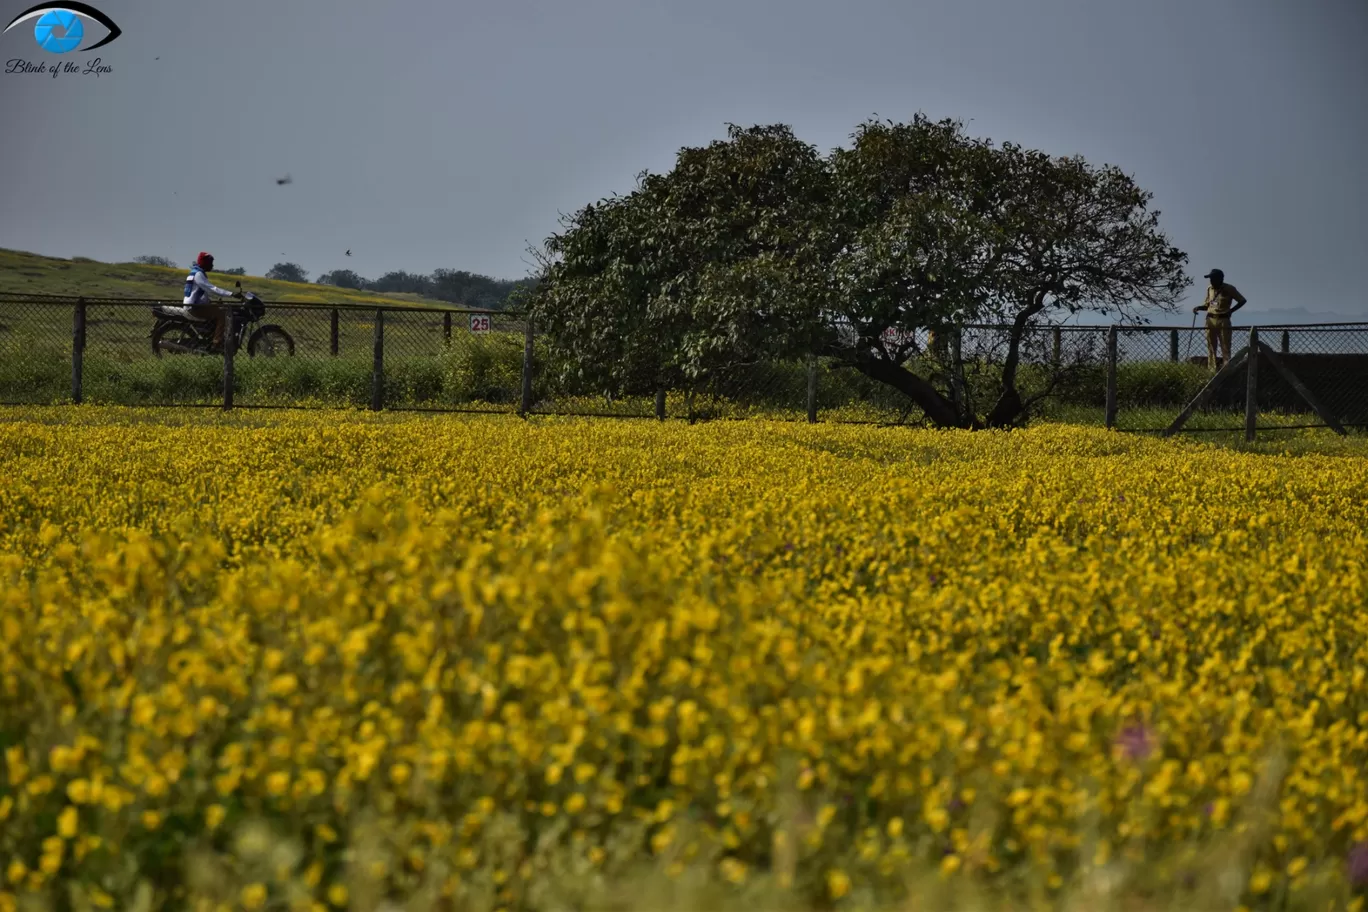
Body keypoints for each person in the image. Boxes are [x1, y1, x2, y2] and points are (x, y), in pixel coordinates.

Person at [179, 252, 242, 351]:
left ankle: (212, 335)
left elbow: (201, 293)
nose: (212, 265)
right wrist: (231, 294)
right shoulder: (198, 274)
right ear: (204, 263)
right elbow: (211, 288)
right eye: (210, 262)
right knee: (223, 315)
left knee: (219, 308)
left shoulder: (195, 272)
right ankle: (217, 343)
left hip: (193, 305)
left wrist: (212, 301)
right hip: (194, 308)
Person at [1193, 268, 1247, 370]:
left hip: (1223, 320)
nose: (1211, 281)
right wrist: (1199, 308)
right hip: (1210, 319)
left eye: (1213, 279)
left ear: (1220, 279)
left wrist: (1231, 311)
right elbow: (1208, 304)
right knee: (1211, 347)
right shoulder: (1209, 289)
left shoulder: (1230, 288)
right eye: (1210, 279)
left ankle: (1226, 369)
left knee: (1225, 347)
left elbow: (1242, 300)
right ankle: (1212, 369)